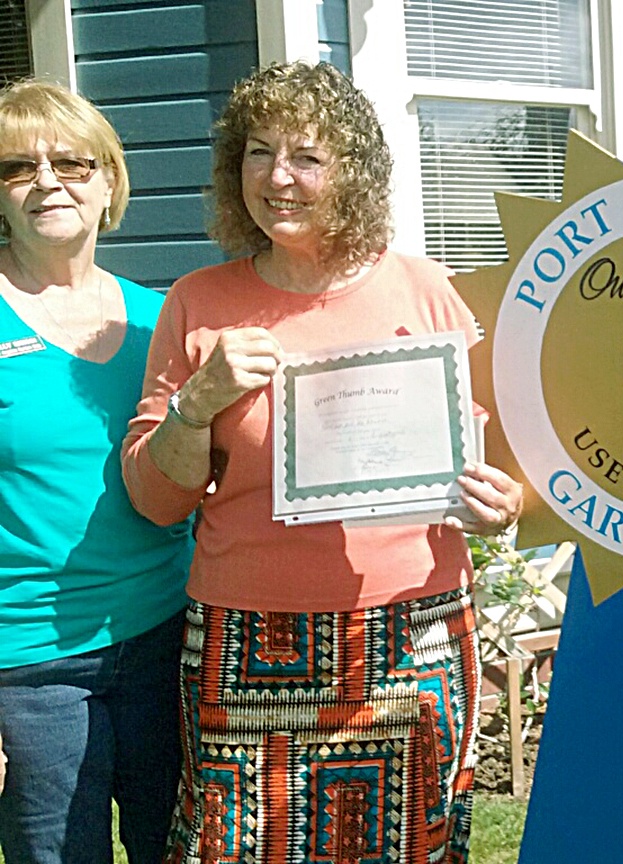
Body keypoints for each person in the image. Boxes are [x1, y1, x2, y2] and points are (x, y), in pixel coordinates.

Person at [120, 61, 523, 864]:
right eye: (258, 152)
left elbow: (497, 456)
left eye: (306, 155)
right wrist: (197, 403)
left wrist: (500, 503)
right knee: (235, 846)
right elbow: (155, 500)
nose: (278, 178)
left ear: (354, 171)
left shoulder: (426, 287)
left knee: (410, 844)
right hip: (248, 638)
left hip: (414, 626)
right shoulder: (199, 302)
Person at [0, 80, 192, 864]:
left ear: (109, 180)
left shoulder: (163, 317)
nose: (48, 180)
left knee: (176, 849)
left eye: (73, 162)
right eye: (17, 166)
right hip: (29, 670)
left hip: (168, 643)